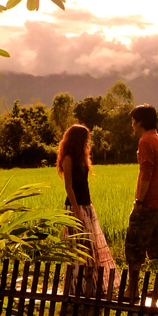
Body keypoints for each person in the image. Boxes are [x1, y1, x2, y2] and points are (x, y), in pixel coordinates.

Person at [122, 104, 158, 303]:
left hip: (147, 204)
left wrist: (139, 200)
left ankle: (132, 290)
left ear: (139, 122)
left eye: (132, 121)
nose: (131, 125)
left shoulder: (146, 141)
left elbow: (146, 172)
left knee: (134, 244)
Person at [57, 124, 115, 296]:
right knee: (78, 248)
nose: (88, 142)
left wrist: (87, 208)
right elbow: (69, 187)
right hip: (75, 207)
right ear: (78, 140)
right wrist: (77, 212)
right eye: (86, 139)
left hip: (86, 205)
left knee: (91, 247)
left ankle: (92, 286)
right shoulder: (68, 158)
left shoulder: (82, 157)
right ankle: (77, 288)